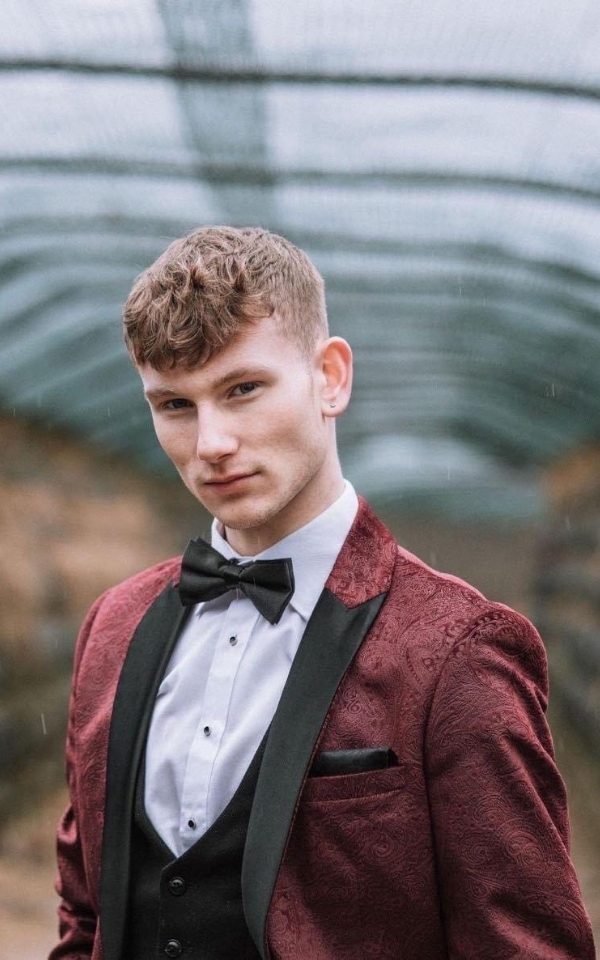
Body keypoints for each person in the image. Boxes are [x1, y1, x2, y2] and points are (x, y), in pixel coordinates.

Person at [50, 226, 595, 960]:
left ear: (330, 377)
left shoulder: (460, 651)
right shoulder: (113, 628)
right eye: (175, 405)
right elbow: (86, 918)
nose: (211, 441)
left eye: (243, 389)